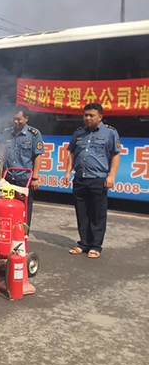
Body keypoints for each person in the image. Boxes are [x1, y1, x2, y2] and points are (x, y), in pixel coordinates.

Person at [61, 103, 120, 259]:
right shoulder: (78, 133)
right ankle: (83, 243)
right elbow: (72, 154)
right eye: (85, 115)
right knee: (82, 212)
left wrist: (111, 176)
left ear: (100, 116)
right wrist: (67, 172)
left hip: (98, 179)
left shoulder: (110, 133)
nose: (88, 118)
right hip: (80, 178)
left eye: (91, 115)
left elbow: (115, 155)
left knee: (97, 213)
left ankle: (95, 246)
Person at [0, 105, 44, 227]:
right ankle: (9, 233)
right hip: (8, 177)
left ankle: (23, 234)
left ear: (26, 118)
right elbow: (3, 154)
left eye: (19, 119)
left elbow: (38, 156)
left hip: (24, 178)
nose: (16, 122)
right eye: (14, 119)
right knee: (7, 208)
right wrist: (0, 175)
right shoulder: (7, 133)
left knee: (24, 209)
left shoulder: (34, 134)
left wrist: (35, 177)